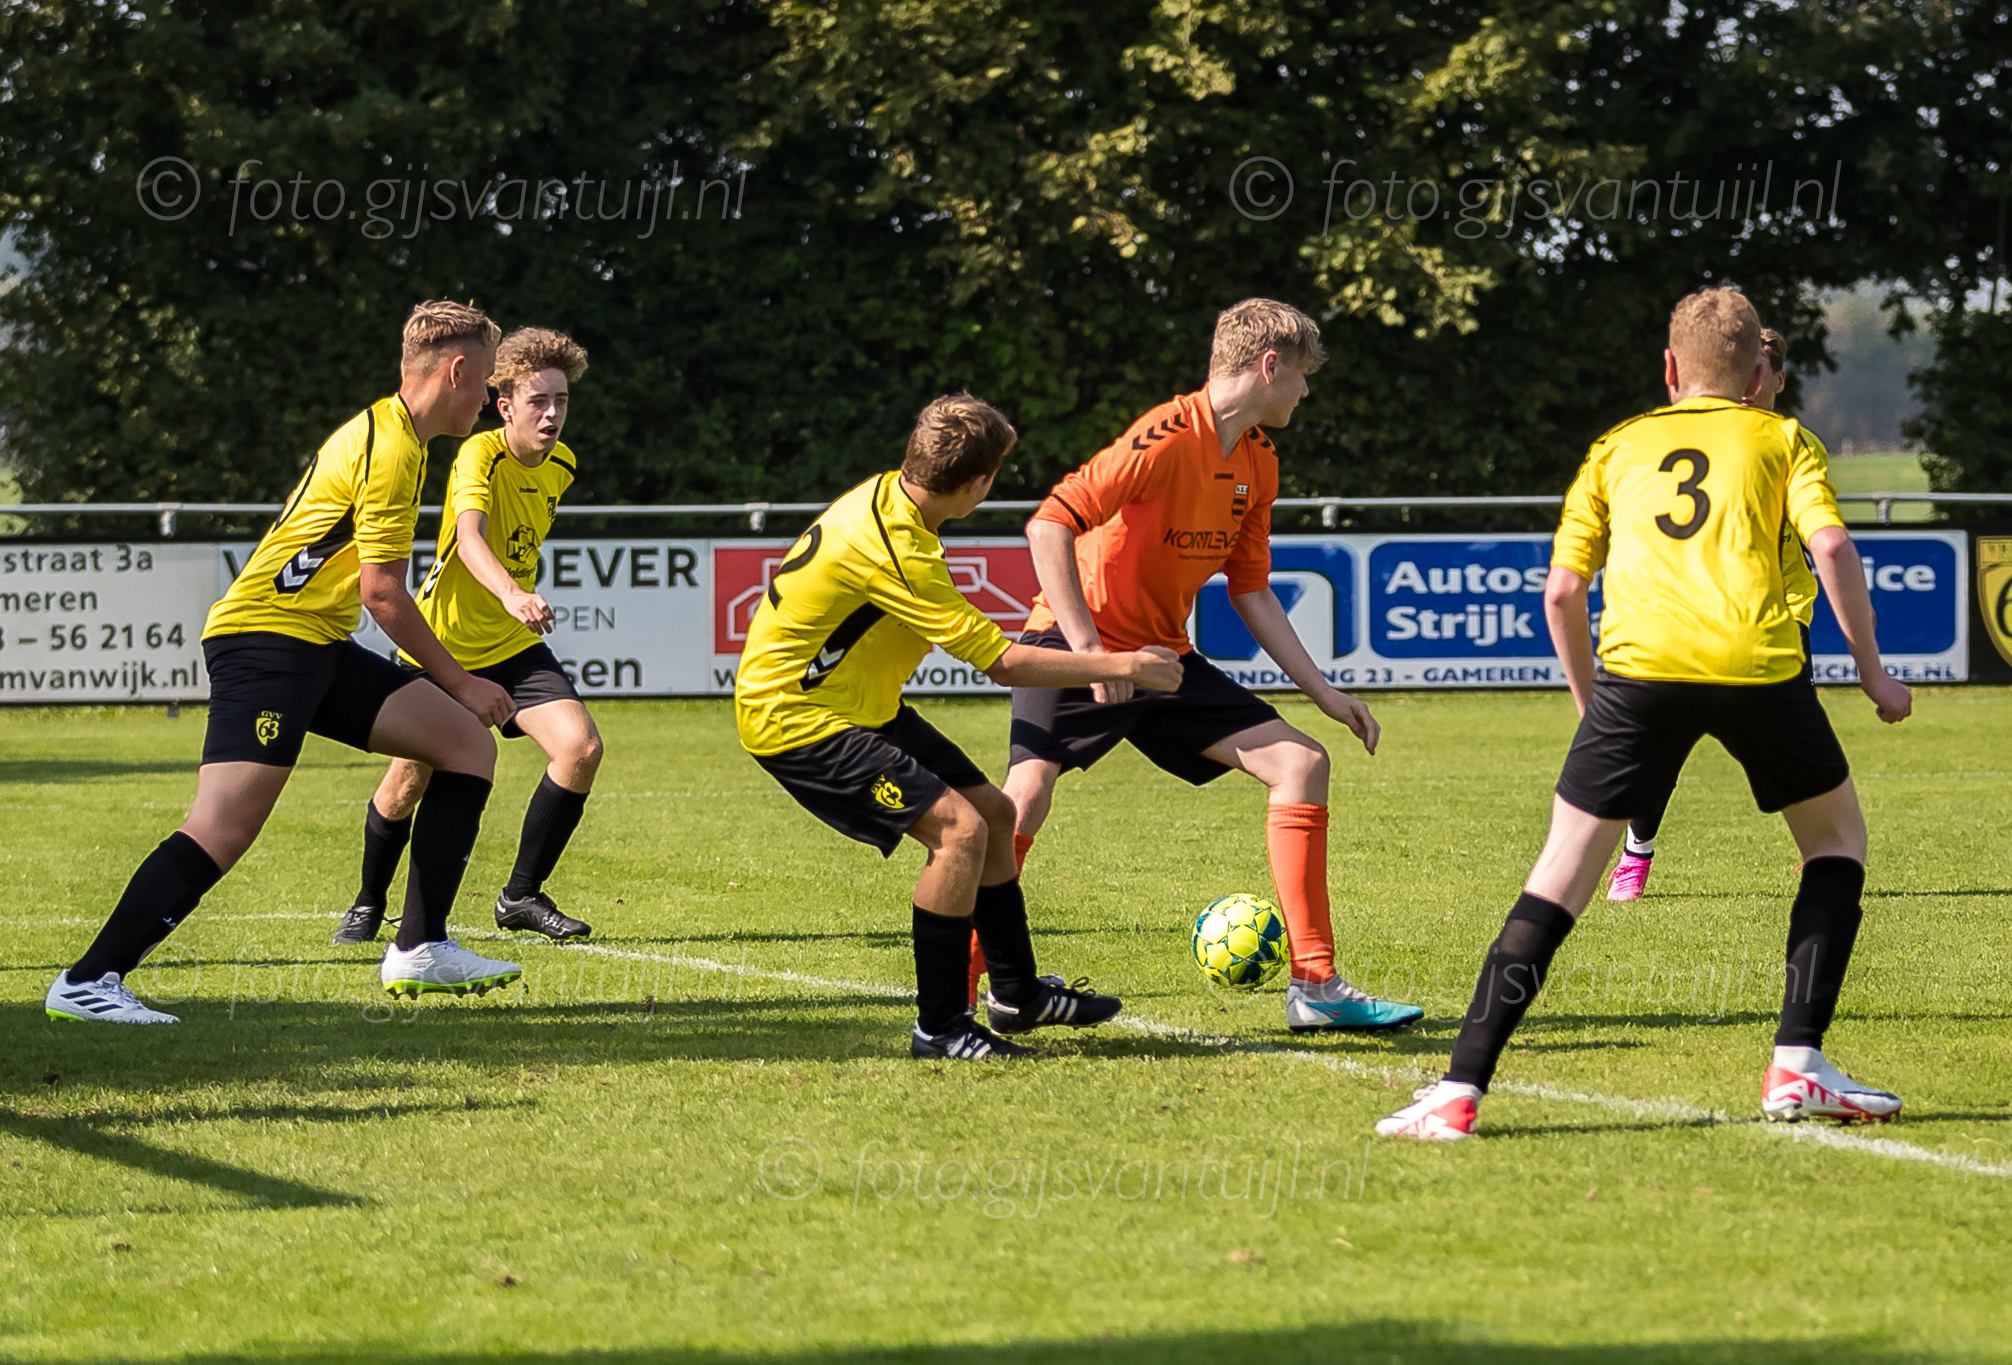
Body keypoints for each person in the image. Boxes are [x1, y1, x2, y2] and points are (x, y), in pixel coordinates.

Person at [1377, 287, 1913, 1140]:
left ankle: (1457, 1089)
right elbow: (1834, 546)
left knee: (1560, 872)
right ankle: (1797, 1062)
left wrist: (1592, 708)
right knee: (1836, 843)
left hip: (1639, 673)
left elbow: (1562, 593)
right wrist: (1874, 674)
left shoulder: (1616, 447)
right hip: (1759, 665)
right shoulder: (1784, 439)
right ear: (1757, 375)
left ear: (1669, 368)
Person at [45, 301, 523, 1024]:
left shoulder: (396, 434)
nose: (488, 397)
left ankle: (420, 948)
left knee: (464, 746)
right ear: (456, 370)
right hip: (268, 642)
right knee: (222, 826)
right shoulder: (393, 450)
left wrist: (455, 696)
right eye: (486, 380)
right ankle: (88, 980)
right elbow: (383, 593)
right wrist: (461, 681)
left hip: (315, 642)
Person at [999, 298, 1421, 1033]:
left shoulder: (1259, 461)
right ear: (1270, 366)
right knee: (1025, 796)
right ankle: (977, 981)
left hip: (1163, 658)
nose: (1306, 392)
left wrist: (1325, 693)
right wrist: (1093, 652)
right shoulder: (1164, 435)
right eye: (1303, 376)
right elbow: (1048, 525)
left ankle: (1316, 986)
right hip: (1074, 639)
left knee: (1301, 763)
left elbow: (1251, 591)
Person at [735, 394, 1184, 1060]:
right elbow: (1001, 663)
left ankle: (1018, 993)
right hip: (797, 719)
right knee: (959, 832)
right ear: (978, 483)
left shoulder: (889, 499)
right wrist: (1123, 664)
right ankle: (940, 1026)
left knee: (996, 815)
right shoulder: (897, 548)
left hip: (856, 706)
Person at [333, 327, 602, 947]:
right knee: (409, 781)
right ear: (504, 406)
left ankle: (521, 896)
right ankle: (369, 902)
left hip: (511, 644)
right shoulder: (479, 455)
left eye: (561, 401)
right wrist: (511, 593)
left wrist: (511, 604)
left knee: (580, 749)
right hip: (444, 644)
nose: (552, 414)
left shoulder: (563, 465)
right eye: (538, 401)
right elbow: (470, 537)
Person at [1605, 327, 1822, 901]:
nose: (1749, 384)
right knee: (1664, 747)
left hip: (1780, 616)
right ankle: (1637, 852)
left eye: (1761, 371)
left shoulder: (1795, 444)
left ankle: (1821, 852)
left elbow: (1819, 536)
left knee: (1792, 745)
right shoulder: (1691, 442)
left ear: (1776, 380)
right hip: (1693, 616)